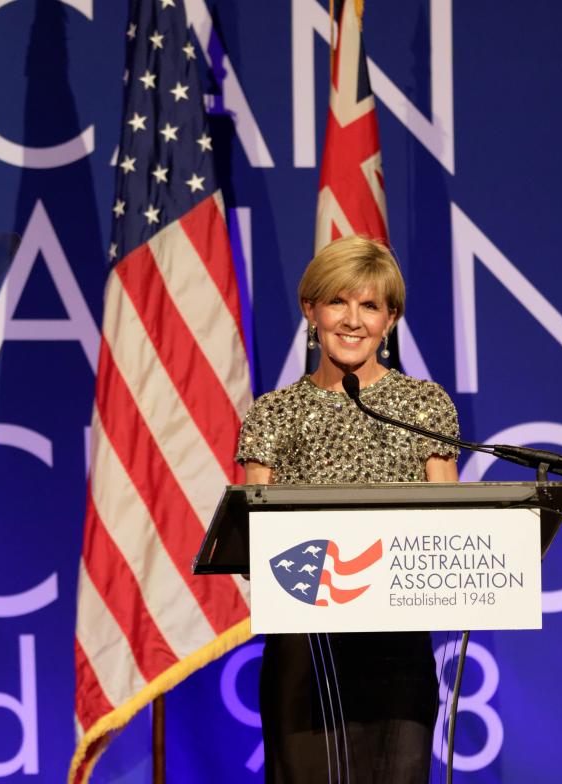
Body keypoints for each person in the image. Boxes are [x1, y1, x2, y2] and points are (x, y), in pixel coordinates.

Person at [236, 235, 459, 783]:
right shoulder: (274, 413)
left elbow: (453, 530)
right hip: (306, 652)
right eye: (338, 301)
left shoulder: (425, 406)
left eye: (370, 306)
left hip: (396, 650)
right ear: (310, 309)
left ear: (390, 318)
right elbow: (253, 544)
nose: (353, 320)